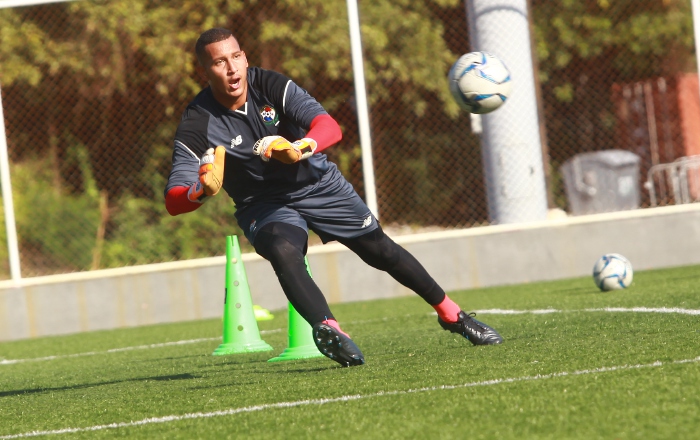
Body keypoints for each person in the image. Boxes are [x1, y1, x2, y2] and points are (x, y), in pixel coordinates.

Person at [164, 28, 503, 367]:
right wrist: (201, 191)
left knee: (381, 251)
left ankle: (452, 315)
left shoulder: (270, 85)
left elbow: (327, 126)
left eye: (236, 56)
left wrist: (299, 148)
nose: (232, 68)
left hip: (319, 184)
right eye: (219, 62)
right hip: (264, 205)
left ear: (246, 58)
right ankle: (330, 331)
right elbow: (174, 199)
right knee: (284, 251)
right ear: (205, 71)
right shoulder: (198, 122)